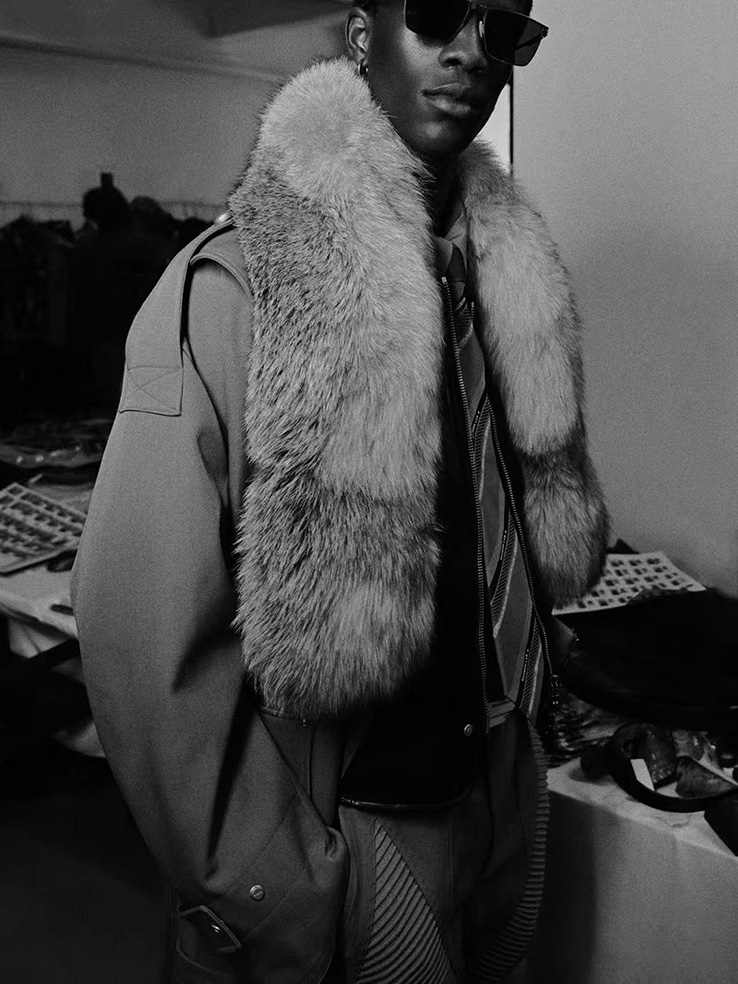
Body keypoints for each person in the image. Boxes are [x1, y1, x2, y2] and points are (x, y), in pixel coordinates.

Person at [72, 2, 609, 982]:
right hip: (359, 824)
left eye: (502, 31)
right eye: (436, 13)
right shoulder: (237, 288)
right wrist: (273, 878)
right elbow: (138, 636)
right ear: (363, 37)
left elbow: (500, 532)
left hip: (501, 791)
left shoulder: (502, 283)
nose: (469, 53)